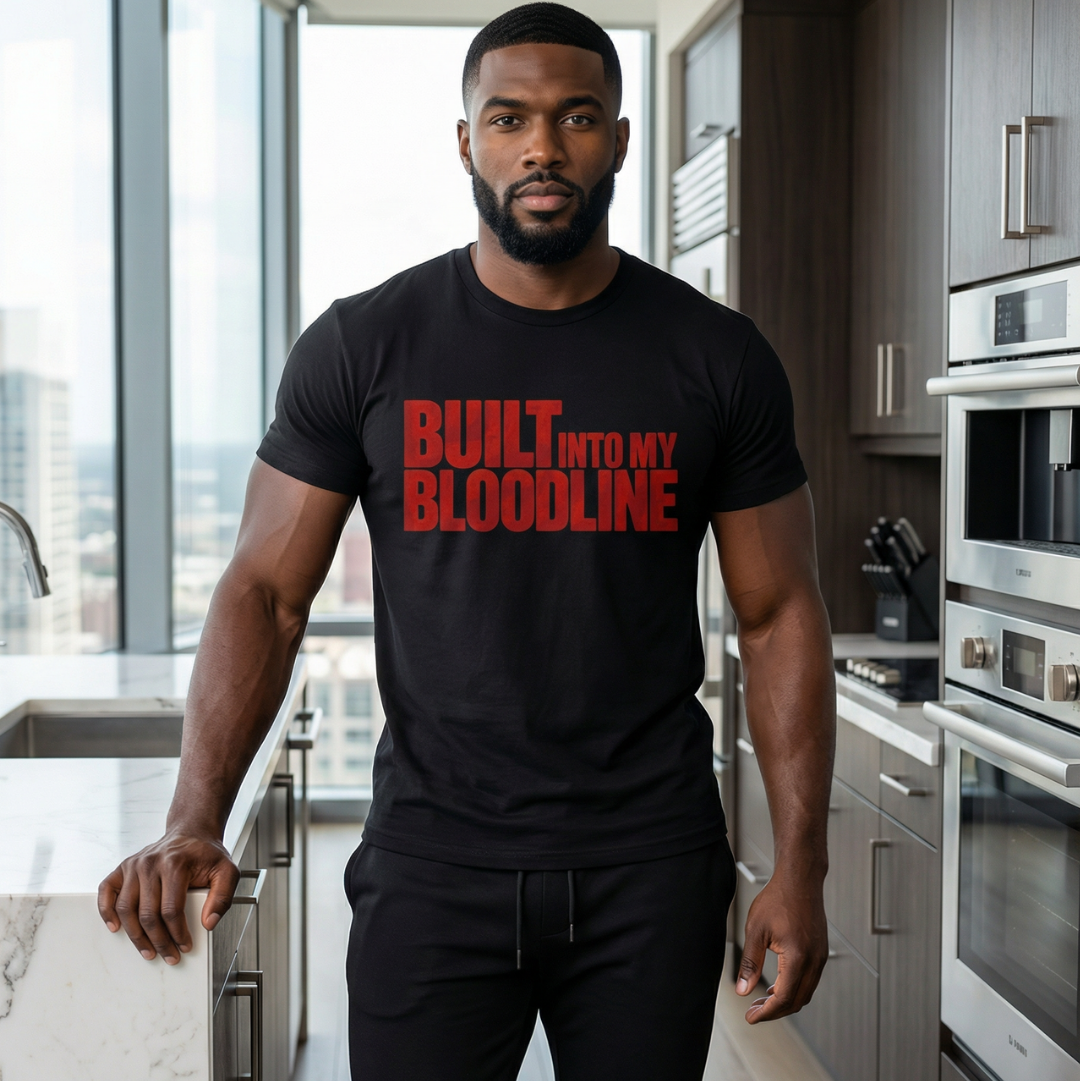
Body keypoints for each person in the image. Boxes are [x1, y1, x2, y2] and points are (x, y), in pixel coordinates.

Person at [98, 5, 835, 1078]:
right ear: (466, 142)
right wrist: (191, 816)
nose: (544, 145)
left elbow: (778, 616)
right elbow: (265, 591)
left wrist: (800, 865)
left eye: (578, 116)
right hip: (432, 866)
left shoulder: (717, 356)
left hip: (649, 865)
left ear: (619, 139)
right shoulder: (363, 344)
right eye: (510, 117)